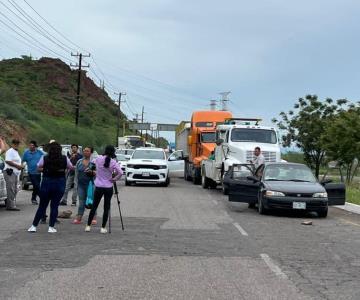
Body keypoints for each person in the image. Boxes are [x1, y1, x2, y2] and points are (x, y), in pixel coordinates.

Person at [28, 142, 73, 233]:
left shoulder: (44, 157)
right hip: (60, 183)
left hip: (46, 182)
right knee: (54, 206)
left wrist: (47, 169)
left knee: (42, 206)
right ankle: (51, 227)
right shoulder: (64, 158)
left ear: (50, 150)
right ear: (60, 150)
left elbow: (38, 168)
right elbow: (71, 167)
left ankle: (33, 226)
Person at [85, 145, 122, 234]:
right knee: (106, 207)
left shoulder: (98, 158)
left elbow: (91, 164)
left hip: (98, 186)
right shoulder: (113, 162)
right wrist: (114, 179)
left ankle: (88, 226)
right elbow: (120, 172)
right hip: (108, 187)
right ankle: (103, 227)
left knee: (94, 206)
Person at [72, 146, 97, 225]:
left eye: (87, 151)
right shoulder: (79, 161)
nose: (85, 152)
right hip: (80, 185)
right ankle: (79, 217)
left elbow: (97, 174)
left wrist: (92, 172)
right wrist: (75, 184)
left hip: (91, 185)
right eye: (84, 151)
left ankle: (93, 217)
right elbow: (76, 174)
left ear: (91, 153)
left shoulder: (94, 162)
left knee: (91, 201)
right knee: (82, 202)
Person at [4, 139, 23, 211]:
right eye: (15, 143)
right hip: (10, 172)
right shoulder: (10, 151)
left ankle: (10, 203)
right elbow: (8, 161)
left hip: (15, 173)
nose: (16, 145)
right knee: (11, 189)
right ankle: (11, 206)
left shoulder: (16, 152)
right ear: (12, 144)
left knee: (15, 189)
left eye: (17, 143)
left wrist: (20, 166)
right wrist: (17, 166)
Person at [22, 141, 44, 205]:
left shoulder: (39, 152)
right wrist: (22, 166)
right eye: (30, 145)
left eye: (32, 145)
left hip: (38, 172)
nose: (31, 146)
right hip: (31, 172)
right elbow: (23, 160)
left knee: (35, 187)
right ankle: (43, 197)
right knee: (37, 185)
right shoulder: (26, 153)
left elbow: (45, 156)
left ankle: (33, 199)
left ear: (35, 146)